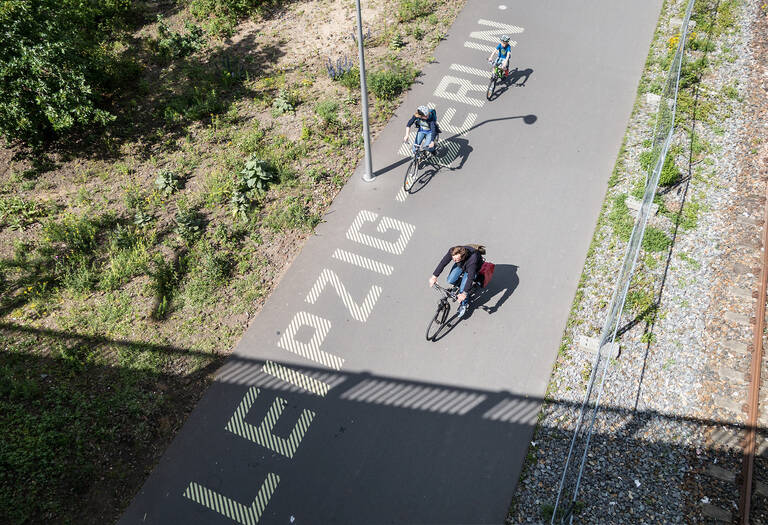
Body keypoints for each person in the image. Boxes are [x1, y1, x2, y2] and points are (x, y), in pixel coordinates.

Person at [429, 245, 483, 318]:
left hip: (471, 269)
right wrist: (434, 276)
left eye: (456, 259)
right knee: (450, 280)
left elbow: (470, 277)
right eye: (453, 259)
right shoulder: (453, 251)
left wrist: (464, 293)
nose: (454, 260)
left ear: (462, 257)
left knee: (463, 290)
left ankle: (464, 304)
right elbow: (443, 262)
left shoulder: (472, 261)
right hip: (460, 264)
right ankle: (458, 285)